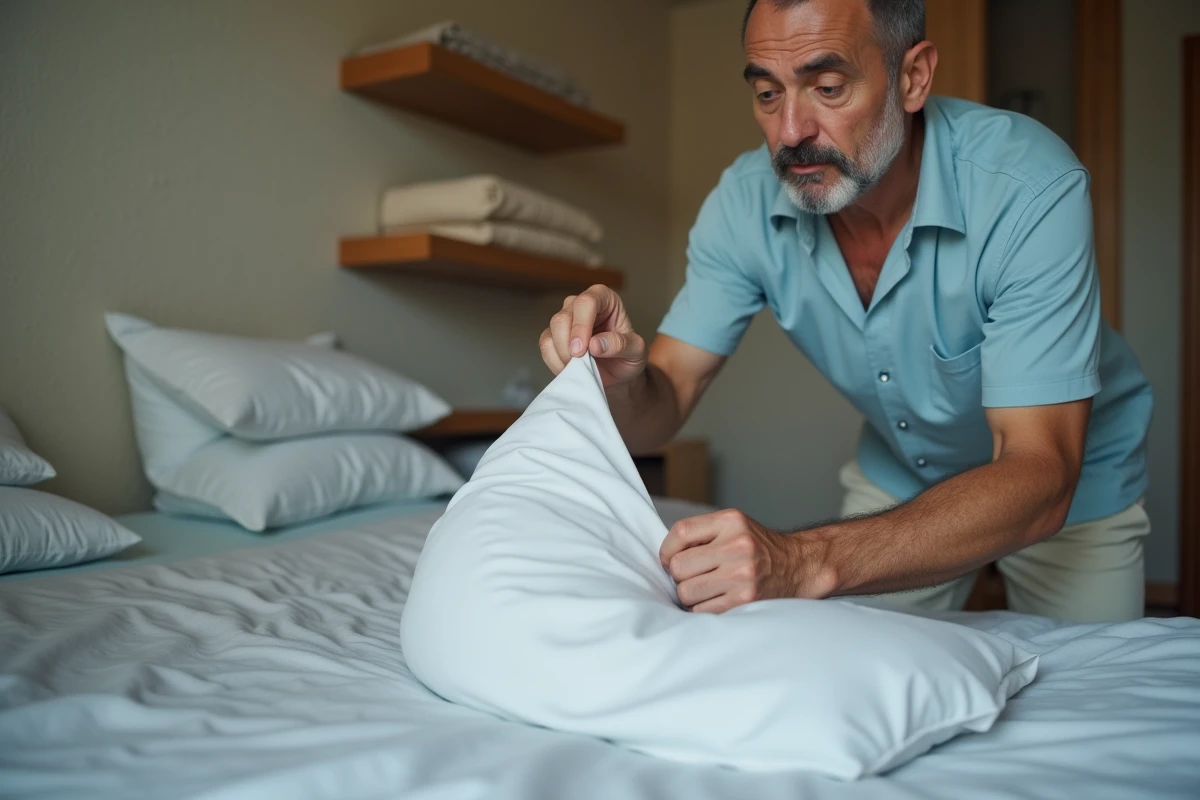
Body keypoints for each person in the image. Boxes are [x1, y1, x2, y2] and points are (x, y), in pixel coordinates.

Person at [538, 0, 1153, 623]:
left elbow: (1040, 470)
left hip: (1063, 484)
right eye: (768, 93)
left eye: (827, 88)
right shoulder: (743, 205)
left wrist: (804, 559)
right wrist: (623, 380)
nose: (790, 131)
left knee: (1084, 682)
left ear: (913, 77)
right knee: (854, 677)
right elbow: (660, 409)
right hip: (902, 474)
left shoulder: (1027, 186)